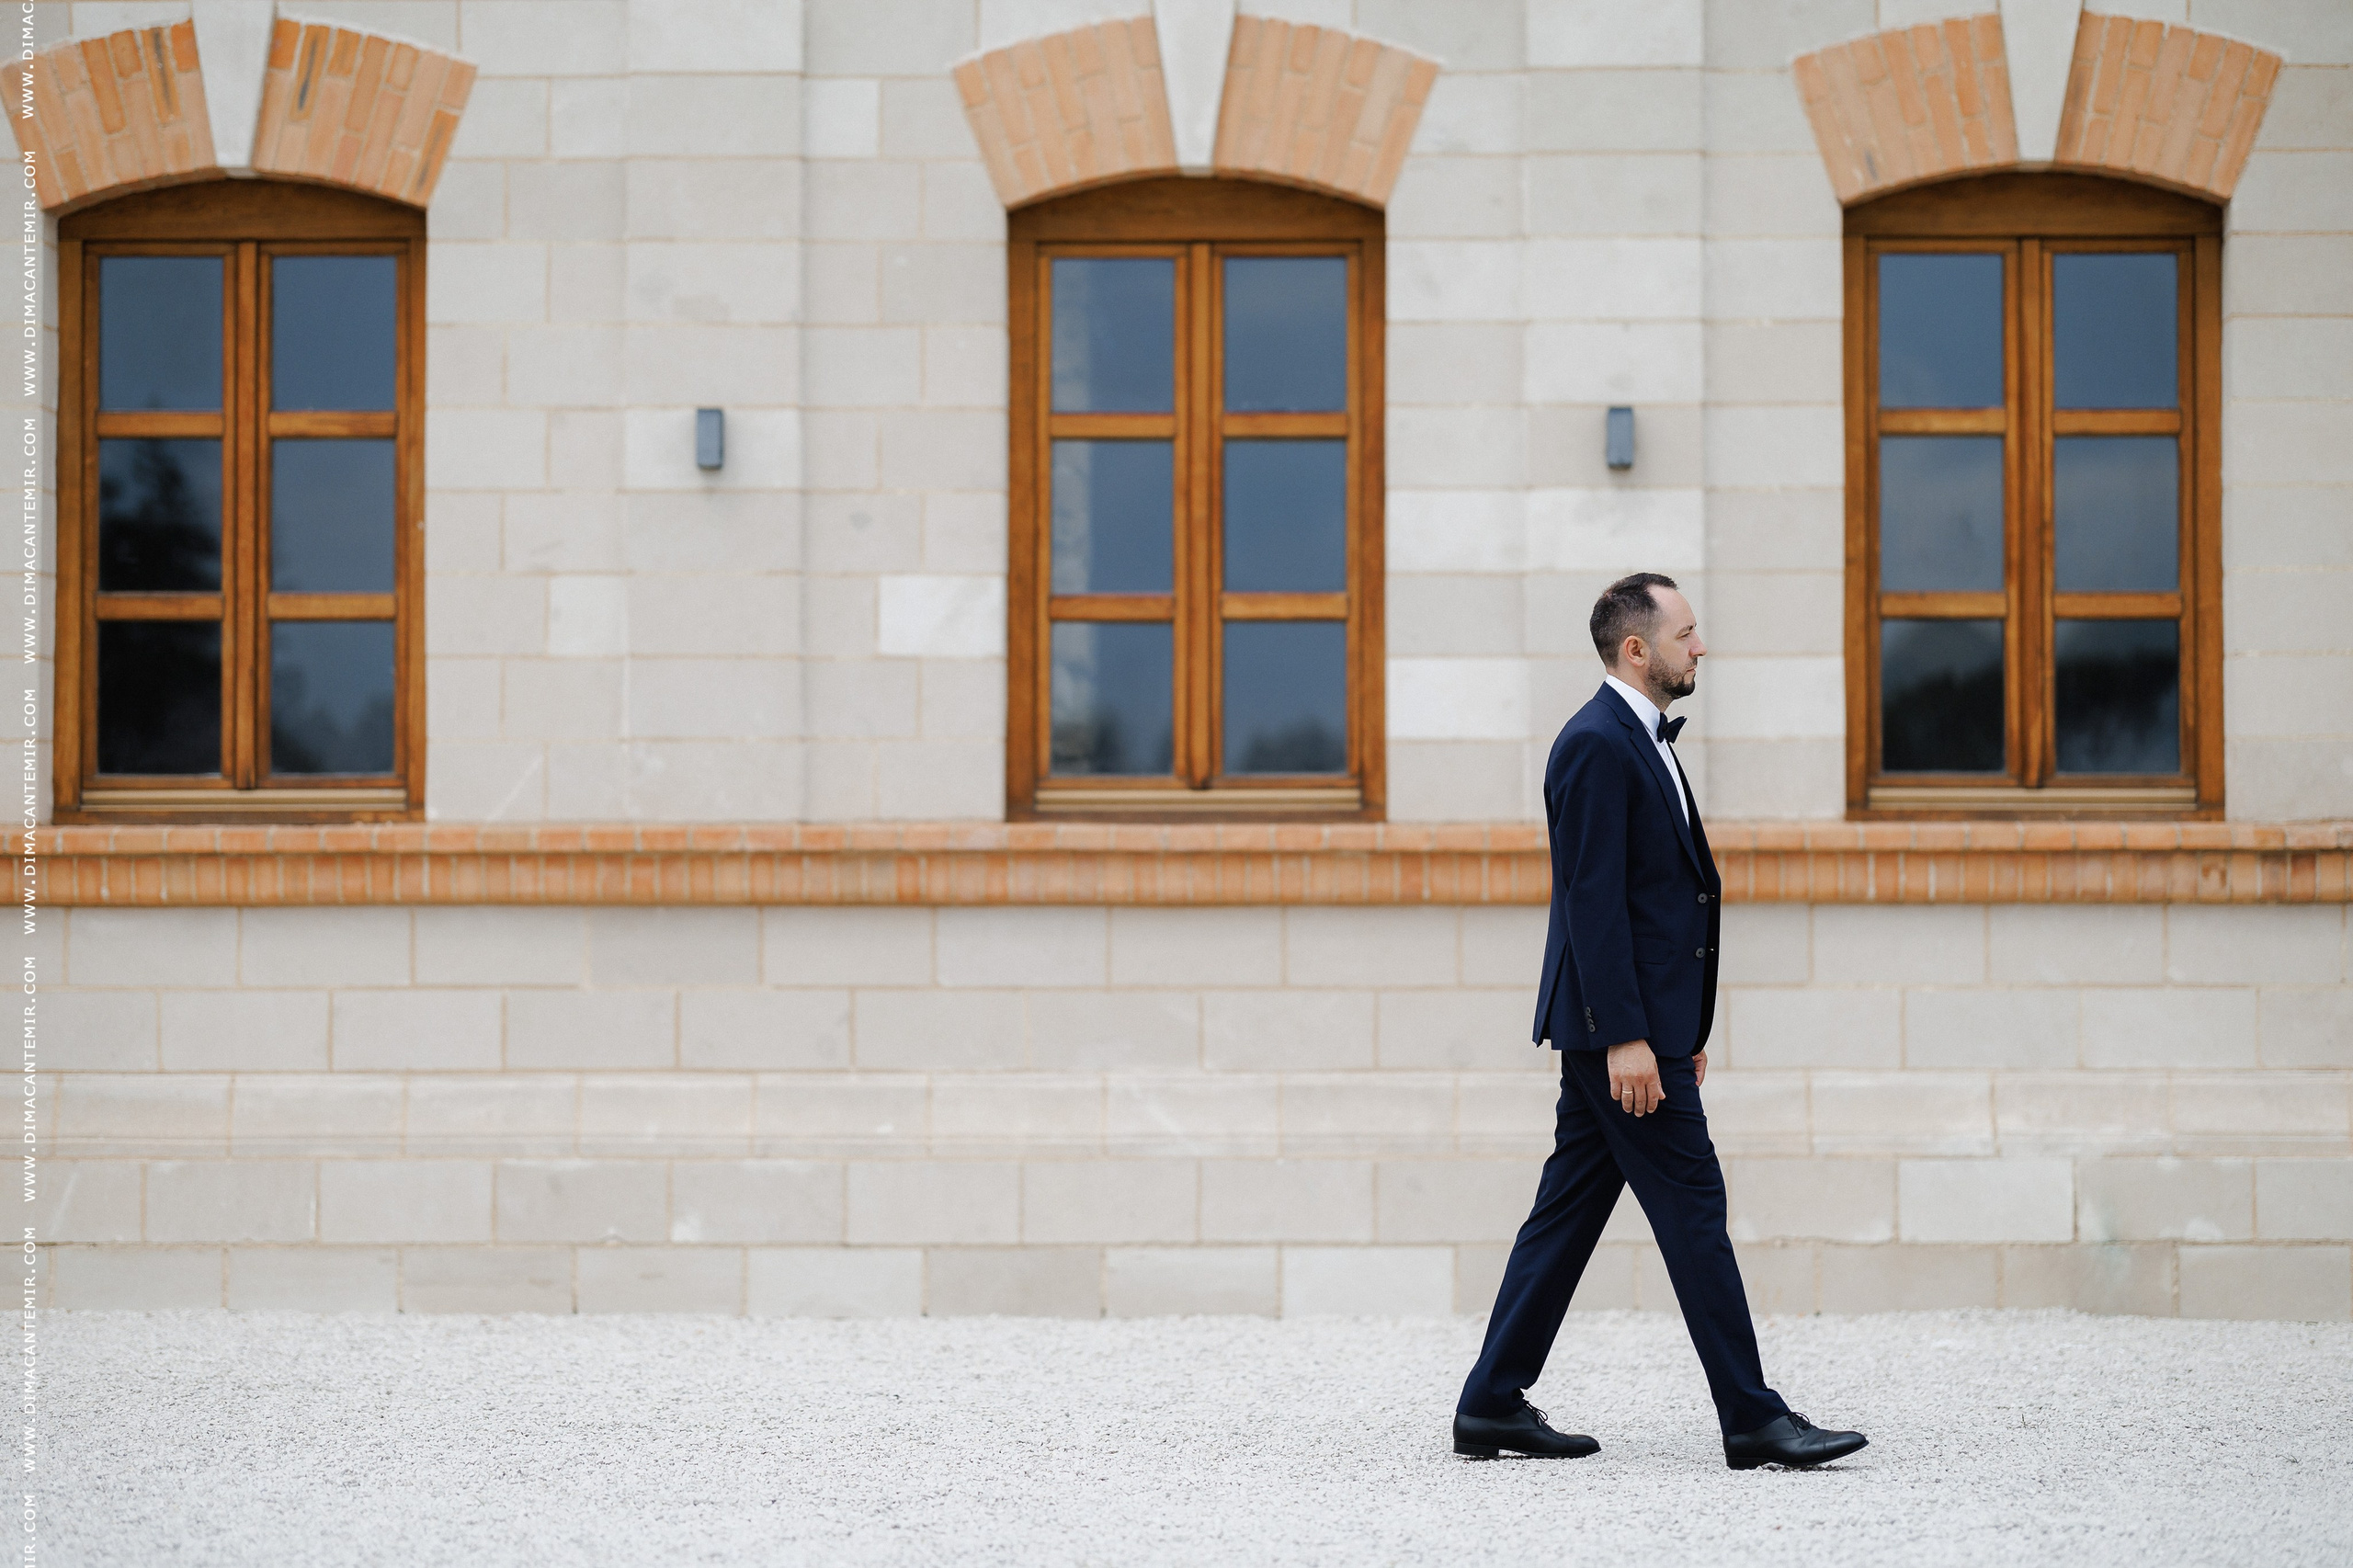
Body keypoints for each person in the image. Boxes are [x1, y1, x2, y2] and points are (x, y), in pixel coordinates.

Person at [1452, 573, 1868, 1471]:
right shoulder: (1598, 743)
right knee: (1694, 1208)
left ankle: (1489, 1401)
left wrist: (1677, 1025)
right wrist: (1628, 1036)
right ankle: (1753, 1418)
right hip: (1620, 1037)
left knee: (1564, 1215)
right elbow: (1592, 902)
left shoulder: (1635, 739)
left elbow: (1657, 900)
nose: (1700, 644)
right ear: (1636, 650)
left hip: (1640, 1027)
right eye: (1686, 631)